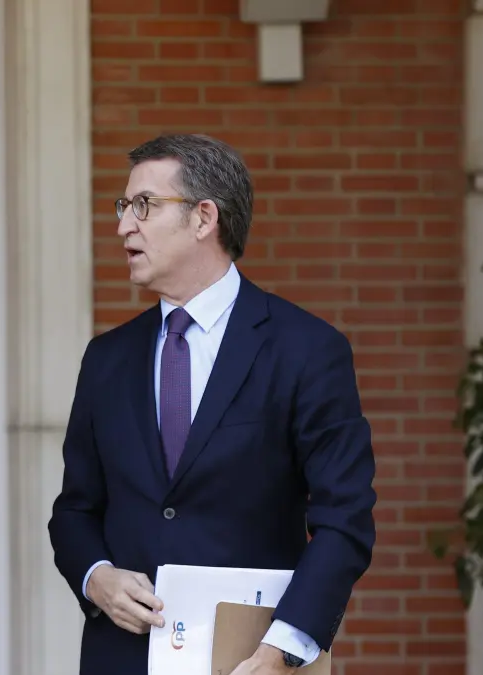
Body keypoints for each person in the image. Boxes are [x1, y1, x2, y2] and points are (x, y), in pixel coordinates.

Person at [48, 134, 376, 675]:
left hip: (254, 660)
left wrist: (284, 649)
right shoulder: (106, 359)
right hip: (122, 657)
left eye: (144, 205)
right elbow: (75, 511)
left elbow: (345, 519)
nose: (124, 225)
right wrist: (96, 576)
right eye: (123, 206)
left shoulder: (307, 350)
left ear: (204, 218)